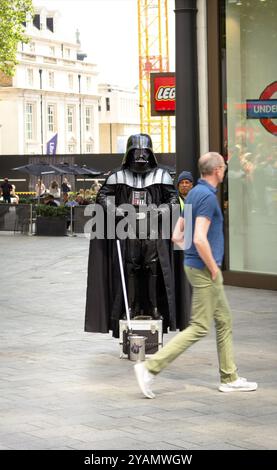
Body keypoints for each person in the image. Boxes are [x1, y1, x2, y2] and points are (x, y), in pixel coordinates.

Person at [134, 151, 258, 398]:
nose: (224, 170)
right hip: (204, 269)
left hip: (195, 265)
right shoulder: (208, 198)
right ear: (218, 170)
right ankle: (149, 367)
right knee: (200, 327)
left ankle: (229, 377)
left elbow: (178, 234)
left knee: (224, 321)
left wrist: (192, 251)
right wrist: (213, 268)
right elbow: (199, 237)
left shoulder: (194, 194)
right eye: (223, 166)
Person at [85, 133, 189, 338]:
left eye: (144, 152)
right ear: (130, 153)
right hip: (128, 228)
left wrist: (161, 211)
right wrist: (115, 210)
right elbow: (102, 195)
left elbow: (173, 199)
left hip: (152, 229)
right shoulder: (118, 175)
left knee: (152, 267)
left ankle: (153, 308)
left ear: (150, 154)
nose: (140, 157)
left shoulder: (162, 175)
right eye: (136, 152)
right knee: (131, 266)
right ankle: (129, 306)